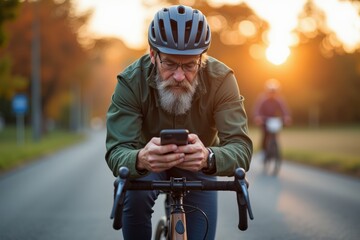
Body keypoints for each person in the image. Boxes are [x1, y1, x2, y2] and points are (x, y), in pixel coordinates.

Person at [105, 5, 253, 240]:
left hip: (198, 166)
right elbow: (117, 150)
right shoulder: (131, 82)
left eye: (190, 65)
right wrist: (140, 159)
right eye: (170, 64)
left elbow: (241, 148)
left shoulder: (222, 79)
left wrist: (209, 157)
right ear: (153, 55)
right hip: (148, 164)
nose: (179, 76)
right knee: (134, 197)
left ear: (202, 59)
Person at [252, 78, 292, 158]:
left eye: (274, 92)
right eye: (271, 92)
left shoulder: (279, 100)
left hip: (273, 120)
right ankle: (263, 151)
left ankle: (274, 149)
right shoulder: (262, 99)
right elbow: (257, 109)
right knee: (265, 134)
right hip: (264, 120)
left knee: (275, 134)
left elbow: (284, 109)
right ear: (267, 91)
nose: (272, 93)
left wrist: (287, 117)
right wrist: (257, 117)